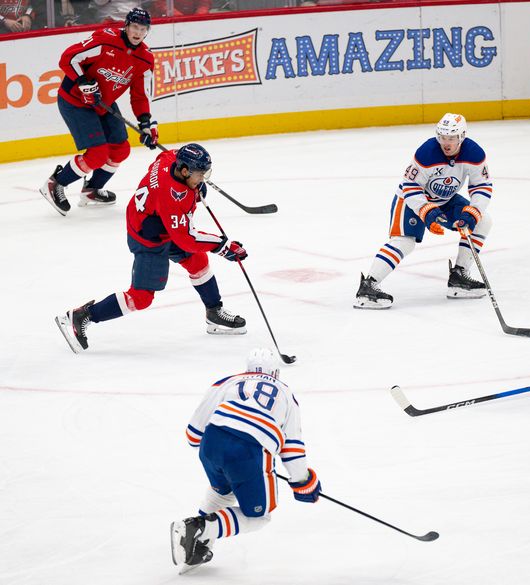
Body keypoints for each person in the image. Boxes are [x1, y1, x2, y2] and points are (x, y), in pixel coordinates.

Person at [54, 143, 248, 353]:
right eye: (200, 174)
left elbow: (160, 158)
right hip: (148, 237)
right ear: (184, 171)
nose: (203, 178)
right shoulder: (171, 196)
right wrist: (223, 246)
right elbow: (185, 239)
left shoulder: (170, 159)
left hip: (158, 222)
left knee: (197, 260)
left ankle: (214, 312)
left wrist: (195, 186)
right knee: (141, 297)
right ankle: (83, 316)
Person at [170, 348, 321, 573]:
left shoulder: (226, 382)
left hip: (211, 444)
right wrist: (303, 483)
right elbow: (292, 449)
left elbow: (193, 435)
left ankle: (198, 547)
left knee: (222, 492)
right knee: (259, 515)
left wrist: (219, 451)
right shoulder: (286, 394)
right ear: (276, 372)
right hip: (249, 452)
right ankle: (199, 528)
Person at [354, 113, 492, 309]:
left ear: (461, 137)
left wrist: (472, 212)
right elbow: (410, 185)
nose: (446, 142)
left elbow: (482, 186)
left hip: (445, 200)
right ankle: (368, 286)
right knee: (404, 242)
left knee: (483, 221)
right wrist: (426, 211)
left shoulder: (474, 154)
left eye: (451, 138)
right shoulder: (427, 152)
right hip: (412, 200)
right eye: (443, 137)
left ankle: (459, 277)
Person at [39, 7, 158, 215]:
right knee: (97, 154)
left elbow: (140, 95)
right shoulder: (106, 40)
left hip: (103, 103)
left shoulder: (145, 59)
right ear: (126, 26)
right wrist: (83, 81)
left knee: (121, 149)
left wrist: (146, 123)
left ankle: (91, 190)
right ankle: (55, 184)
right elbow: (68, 58)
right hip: (75, 100)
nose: (138, 33)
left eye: (143, 29)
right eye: (135, 27)